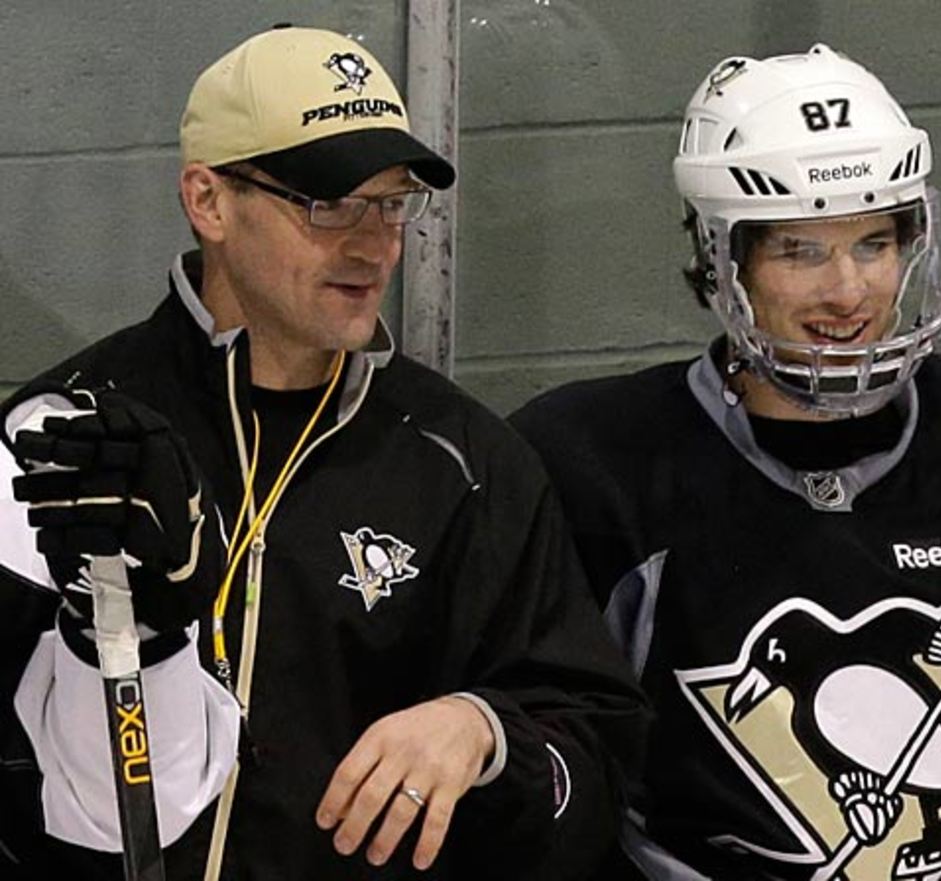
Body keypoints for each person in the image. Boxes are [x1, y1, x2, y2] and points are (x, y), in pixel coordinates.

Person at [511, 44, 941, 880]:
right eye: (801, 251)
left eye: (874, 242)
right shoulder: (595, 467)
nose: (849, 291)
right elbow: (561, 787)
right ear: (725, 264)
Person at [0, 24, 645, 881]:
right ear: (209, 200)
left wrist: (485, 733)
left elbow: (596, 765)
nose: (374, 243)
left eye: (391, 203)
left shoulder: (465, 462)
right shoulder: (63, 434)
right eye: (328, 202)